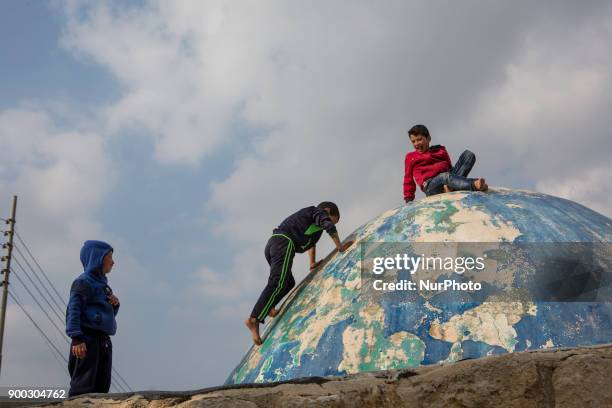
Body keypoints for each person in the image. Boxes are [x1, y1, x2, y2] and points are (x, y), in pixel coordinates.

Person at [245, 202, 353, 345]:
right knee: (278, 281)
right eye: (333, 220)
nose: (330, 224)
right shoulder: (315, 212)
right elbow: (328, 226)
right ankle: (254, 319)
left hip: (275, 245)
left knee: (288, 282)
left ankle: (270, 307)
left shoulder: (314, 228)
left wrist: (312, 263)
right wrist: (340, 247)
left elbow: (312, 244)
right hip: (283, 242)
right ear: (327, 211)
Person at [65, 240, 120, 397]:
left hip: (104, 341)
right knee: (83, 386)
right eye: (109, 256)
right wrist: (76, 337)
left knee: (102, 387)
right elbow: (73, 310)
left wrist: (114, 305)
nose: (113, 262)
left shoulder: (104, 286)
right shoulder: (83, 282)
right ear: (98, 257)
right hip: (86, 340)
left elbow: (103, 315)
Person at [403, 124, 488, 202]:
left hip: (447, 178)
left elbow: (450, 168)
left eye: (419, 140)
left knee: (469, 155)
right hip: (430, 186)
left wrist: (453, 176)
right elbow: (408, 179)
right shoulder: (411, 157)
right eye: (413, 141)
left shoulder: (440, 150)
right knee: (444, 176)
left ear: (428, 139)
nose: (416, 144)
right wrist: (408, 198)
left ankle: (450, 188)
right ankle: (474, 184)